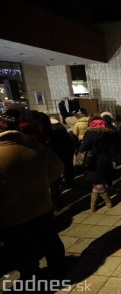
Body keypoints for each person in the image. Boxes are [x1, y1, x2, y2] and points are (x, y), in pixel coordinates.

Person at [0, 113, 66, 281]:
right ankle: (59, 270)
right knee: (50, 240)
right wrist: (42, 183)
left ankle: (32, 278)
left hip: (12, 215)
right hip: (42, 205)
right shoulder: (37, 148)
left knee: (21, 250)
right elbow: (58, 168)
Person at [79, 116, 116, 212]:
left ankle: (107, 201)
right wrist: (113, 160)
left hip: (93, 162)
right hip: (105, 161)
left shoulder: (90, 133)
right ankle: (93, 206)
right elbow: (112, 148)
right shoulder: (108, 134)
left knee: (98, 183)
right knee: (97, 183)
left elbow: (82, 149)